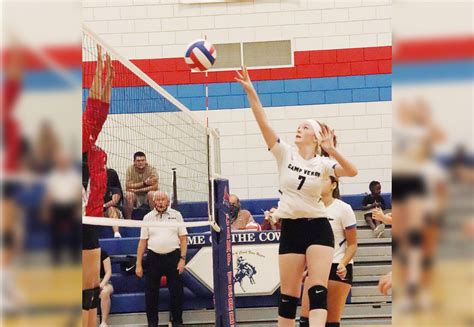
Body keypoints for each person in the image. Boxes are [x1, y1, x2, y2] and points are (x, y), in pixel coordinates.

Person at [236, 66, 357, 327]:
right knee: (288, 298)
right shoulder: (284, 153)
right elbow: (263, 123)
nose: (298, 130)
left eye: (304, 127)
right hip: (291, 227)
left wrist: (331, 150)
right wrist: (250, 91)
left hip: (318, 227)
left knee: (317, 291)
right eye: (298, 127)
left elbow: (351, 171)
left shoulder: (323, 164)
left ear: (315, 137)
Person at [82, 45, 114, 327]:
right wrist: (97, 69)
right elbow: (93, 105)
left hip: (89, 219)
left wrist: (108, 77)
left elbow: (100, 108)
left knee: (90, 290)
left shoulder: (91, 146)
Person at [299, 175, 358, 327]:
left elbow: (352, 245)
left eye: (324, 179)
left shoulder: (343, 209)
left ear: (333, 185)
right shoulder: (309, 208)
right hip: (315, 267)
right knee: (305, 320)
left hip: (337, 266)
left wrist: (343, 264)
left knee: (330, 322)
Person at [135, 191, 187, 327]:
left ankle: (177, 322)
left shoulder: (176, 215)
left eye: (162, 199)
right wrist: (138, 264)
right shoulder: (147, 217)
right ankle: (152, 324)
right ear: (153, 202)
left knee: (177, 292)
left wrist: (182, 259)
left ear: (168, 201)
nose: (159, 202)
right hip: (154, 258)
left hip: (173, 257)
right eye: (157, 200)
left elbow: (183, 238)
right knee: (151, 294)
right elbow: (142, 242)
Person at [43, 151, 82, 264]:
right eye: (60, 161)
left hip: (71, 207)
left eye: (64, 160)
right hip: (56, 207)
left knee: (75, 232)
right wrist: (46, 210)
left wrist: (77, 208)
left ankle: (75, 257)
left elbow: (77, 193)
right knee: (54, 232)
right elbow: (49, 194)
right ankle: (56, 258)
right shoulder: (52, 175)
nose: (62, 163)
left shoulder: (74, 175)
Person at [124, 152, 159, 219]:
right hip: (135, 196)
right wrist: (144, 183)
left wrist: (137, 189)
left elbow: (155, 186)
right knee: (128, 195)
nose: (141, 162)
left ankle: (155, 219)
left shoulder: (151, 169)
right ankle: (128, 221)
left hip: (147, 194)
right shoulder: (130, 169)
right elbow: (128, 186)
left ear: (145, 161)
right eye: (138, 161)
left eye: (143, 160)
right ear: (134, 162)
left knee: (152, 194)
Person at [103, 167, 124, 238]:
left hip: (113, 212)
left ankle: (116, 233)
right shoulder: (95, 188)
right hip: (99, 213)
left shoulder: (114, 188)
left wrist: (104, 206)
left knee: (111, 209)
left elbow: (114, 201)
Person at [99, 249, 114, 327]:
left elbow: (108, 271)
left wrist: (102, 283)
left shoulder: (103, 253)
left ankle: (104, 322)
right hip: (87, 282)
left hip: (104, 281)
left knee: (104, 292)